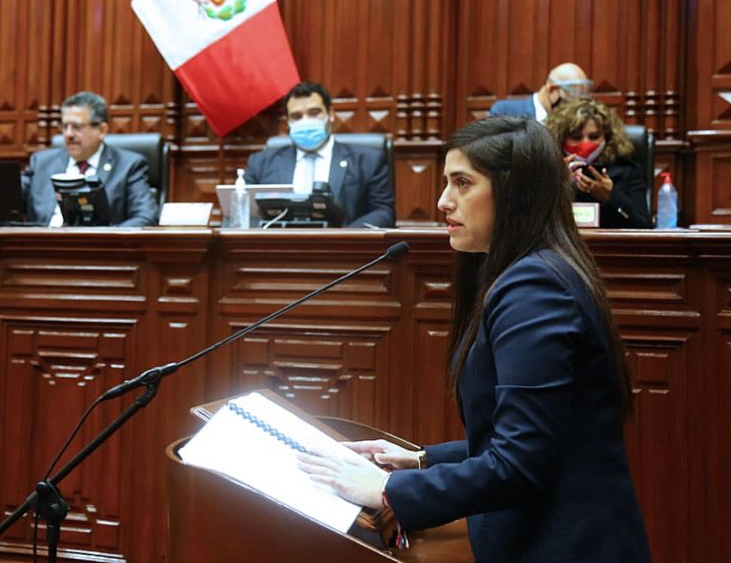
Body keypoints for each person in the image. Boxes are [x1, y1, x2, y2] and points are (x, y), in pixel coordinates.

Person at [298, 117, 651, 563]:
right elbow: (543, 434)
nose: (444, 201)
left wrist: (387, 489)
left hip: (568, 546)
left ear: (514, 191)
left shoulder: (535, 289)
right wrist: (421, 460)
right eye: (447, 182)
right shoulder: (531, 271)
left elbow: (520, 464)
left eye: (463, 183)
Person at [244, 81, 395, 227]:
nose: (306, 121)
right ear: (288, 122)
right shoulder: (261, 163)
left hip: (342, 248)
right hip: (281, 248)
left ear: (331, 114)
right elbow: (245, 213)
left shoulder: (368, 160)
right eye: (296, 116)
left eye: (314, 113)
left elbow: (384, 212)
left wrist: (344, 239)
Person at [24, 91, 159, 226]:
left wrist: (108, 240)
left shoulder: (128, 166)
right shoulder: (41, 163)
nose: (68, 134)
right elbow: (9, 201)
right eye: (65, 126)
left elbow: (146, 216)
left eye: (76, 127)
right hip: (43, 243)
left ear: (102, 130)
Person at [545, 98, 652, 229]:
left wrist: (611, 196)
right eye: (576, 137)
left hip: (612, 246)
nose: (585, 144)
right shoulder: (548, 170)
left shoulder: (628, 171)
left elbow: (644, 227)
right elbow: (531, 226)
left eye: (594, 137)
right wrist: (559, 186)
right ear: (560, 138)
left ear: (607, 138)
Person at [489, 62, 593, 122]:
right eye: (569, 102)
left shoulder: (577, 122)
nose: (574, 110)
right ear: (552, 90)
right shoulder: (504, 112)